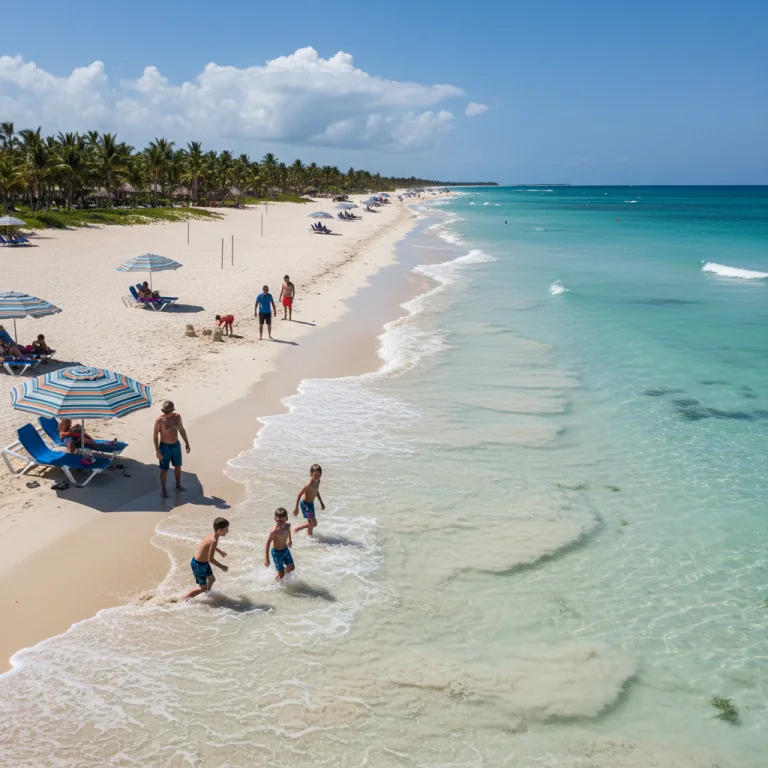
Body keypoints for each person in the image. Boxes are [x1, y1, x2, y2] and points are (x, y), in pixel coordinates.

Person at [184, 517, 229, 600]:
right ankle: (184, 600)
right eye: (226, 529)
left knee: (212, 579)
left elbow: (209, 546)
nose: (228, 531)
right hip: (199, 565)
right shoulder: (214, 540)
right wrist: (222, 567)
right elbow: (210, 559)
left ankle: (207, 594)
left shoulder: (213, 535)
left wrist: (219, 551)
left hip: (202, 563)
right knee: (202, 588)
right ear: (220, 530)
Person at [153, 400, 191, 498]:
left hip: (176, 446)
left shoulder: (177, 417)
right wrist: (157, 450)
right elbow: (155, 436)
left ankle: (178, 485)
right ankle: (164, 490)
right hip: (164, 447)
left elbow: (182, 430)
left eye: (169, 412)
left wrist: (187, 443)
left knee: (178, 466)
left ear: (172, 410)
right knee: (164, 469)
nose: (167, 414)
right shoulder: (159, 420)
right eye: (165, 412)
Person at [293, 464, 325, 536]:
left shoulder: (318, 481)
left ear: (321, 475)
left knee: (311, 526)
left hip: (311, 504)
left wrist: (321, 503)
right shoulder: (309, 484)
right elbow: (299, 494)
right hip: (305, 504)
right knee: (314, 523)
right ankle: (297, 528)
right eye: (315, 475)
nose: (316, 477)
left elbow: (316, 491)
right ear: (311, 474)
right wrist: (296, 508)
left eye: (318, 475)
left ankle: (309, 539)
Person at [265, 507, 294, 580]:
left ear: (286, 518)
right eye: (278, 521)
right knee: (281, 575)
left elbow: (288, 531)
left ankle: (283, 571)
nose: (280, 523)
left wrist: (289, 540)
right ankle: (275, 583)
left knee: (291, 567)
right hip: (276, 553)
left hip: (285, 549)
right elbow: (267, 544)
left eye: (282, 521)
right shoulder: (274, 532)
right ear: (275, 519)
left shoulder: (287, 526)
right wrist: (267, 559)